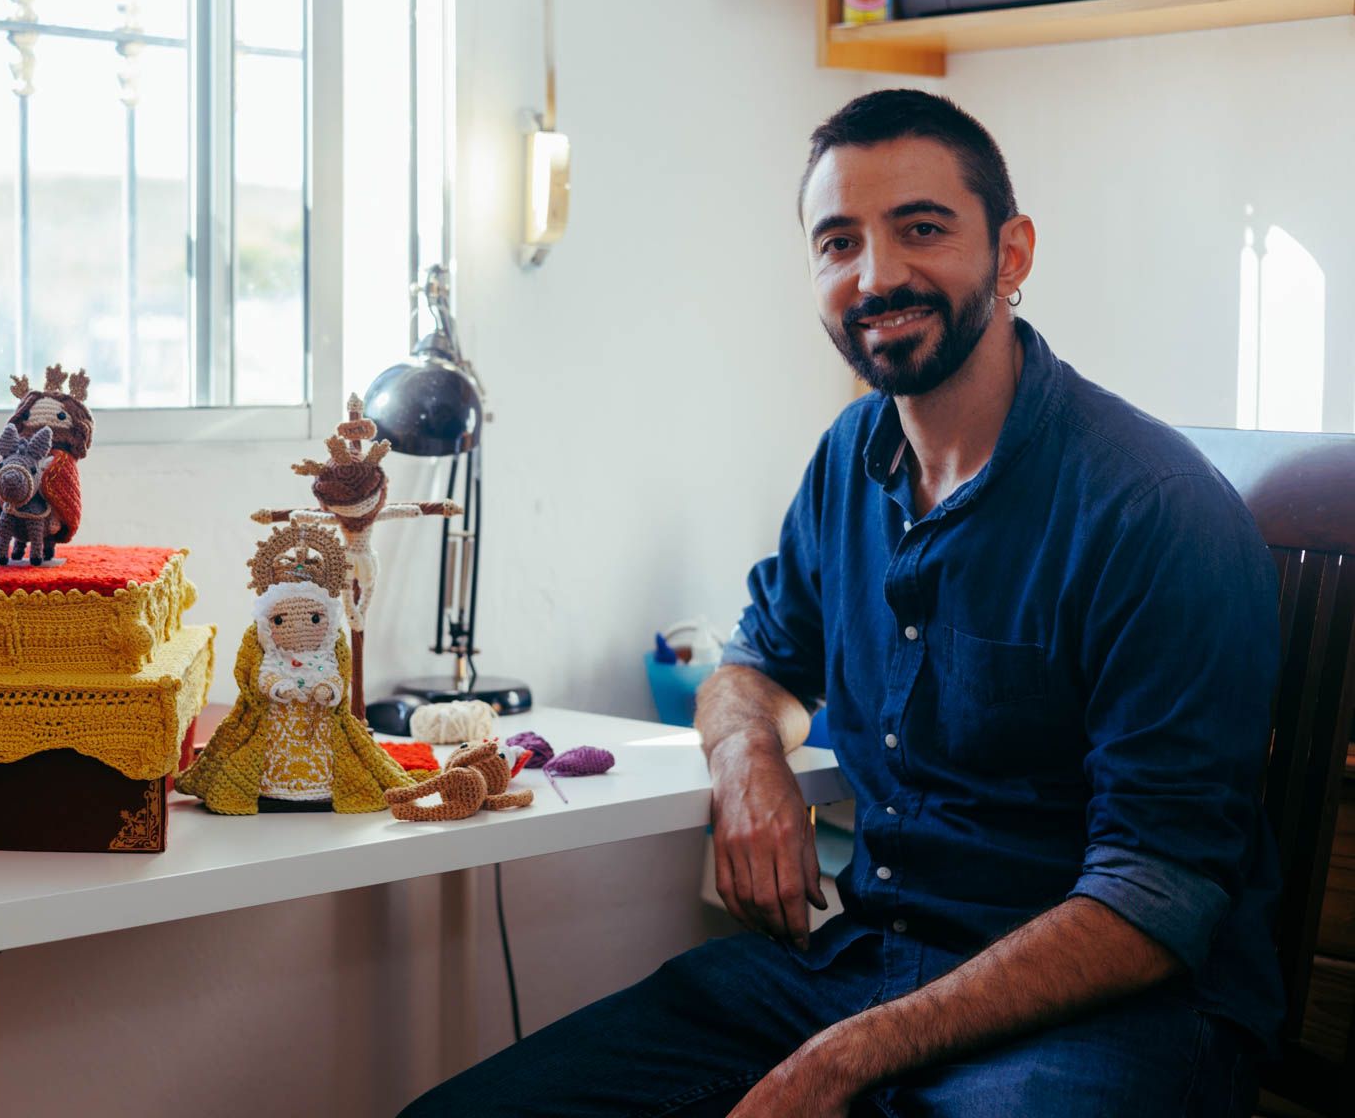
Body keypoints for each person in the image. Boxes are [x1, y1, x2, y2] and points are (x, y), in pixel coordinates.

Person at [400, 89, 1282, 1116]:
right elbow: (756, 668)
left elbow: (1154, 897)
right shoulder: (850, 458)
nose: (876, 276)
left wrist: (844, 1058)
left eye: (921, 229)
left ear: (1012, 254)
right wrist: (748, 762)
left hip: (1101, 1020)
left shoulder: (1153, 510)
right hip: (865, 967)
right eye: (838, 242)